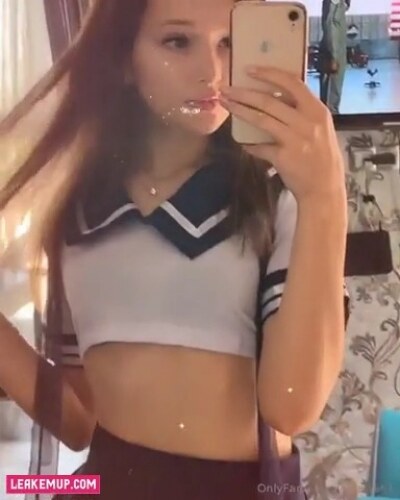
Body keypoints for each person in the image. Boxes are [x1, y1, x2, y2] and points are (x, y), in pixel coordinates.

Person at [0, 0, 350, 498]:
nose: (212, 71)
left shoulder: (278, 199)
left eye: (229, 43)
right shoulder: (80, 210)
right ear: (123, 58)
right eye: (177, 42)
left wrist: (325, 197)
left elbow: (292, 407)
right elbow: (80, 423)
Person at [318, 0, 351, 114]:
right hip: (334, 52)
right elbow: (330, 27)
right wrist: (333, 55)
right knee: (331, 96)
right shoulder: (334, 3)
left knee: (334, 91)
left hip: (337, 51)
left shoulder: (338, 4)